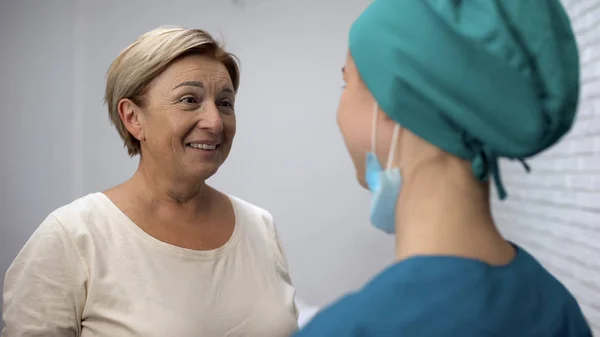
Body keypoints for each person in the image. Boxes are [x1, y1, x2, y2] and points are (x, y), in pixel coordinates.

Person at [294, 1, 593, 336]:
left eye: (346, 82)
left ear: (392, 101)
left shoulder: (351, 329)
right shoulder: (559, 309)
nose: (339, 108)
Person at [2, 26, 298, 337]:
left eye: (225, 103)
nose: (214, 122)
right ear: (133, 118)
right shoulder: (72, 237)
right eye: (188, 99)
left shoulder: (260, 228)